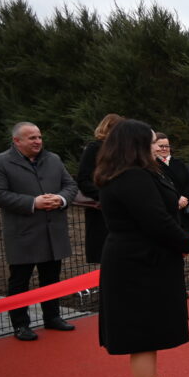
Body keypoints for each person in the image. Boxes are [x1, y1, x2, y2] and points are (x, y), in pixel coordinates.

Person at [95, 119, 189, 377]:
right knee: (141, 337)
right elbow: (155, 219)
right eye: (151, 142)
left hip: (142, 260)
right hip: (138, 264)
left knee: (148, 335)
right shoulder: (131, 178)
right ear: (136, 145)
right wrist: (186, 241)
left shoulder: (131, 174)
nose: (157, 147)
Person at [0, 121, 79, 341]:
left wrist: (61, 198)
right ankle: (20, 324)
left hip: (53, 232)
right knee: (20, 281)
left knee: (52, 278)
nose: (38, 141)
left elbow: (70, 185)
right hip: (23, 234)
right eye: (32, 138)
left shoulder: (53, 159)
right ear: (16, 141)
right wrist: (33, 202)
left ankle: (52, 317)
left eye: (39, 137)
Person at [76, 113, 124, 264]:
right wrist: (105, 196)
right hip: (101, 211)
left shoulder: (123, 151)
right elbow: (83, 180)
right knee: (106, 257)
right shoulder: (94, 148)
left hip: (122, 210)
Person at [154, 132, 189, 233]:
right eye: (161, 146)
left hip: (184, 211)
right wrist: (176, 200)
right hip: (167, 212)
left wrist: (185, 199)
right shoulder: (153, 166)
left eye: (166, 146)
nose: (164, 148)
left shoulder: (179, 163)